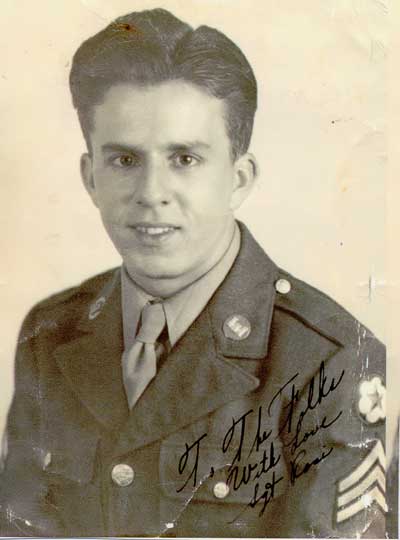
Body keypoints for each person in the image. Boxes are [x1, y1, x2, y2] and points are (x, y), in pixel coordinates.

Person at [0, 8, 387, 538]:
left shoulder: (331, 361)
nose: (151, 193)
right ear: (90, 178)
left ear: (239, 177)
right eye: (124, 161)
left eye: (184, 159)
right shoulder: (51, 333)